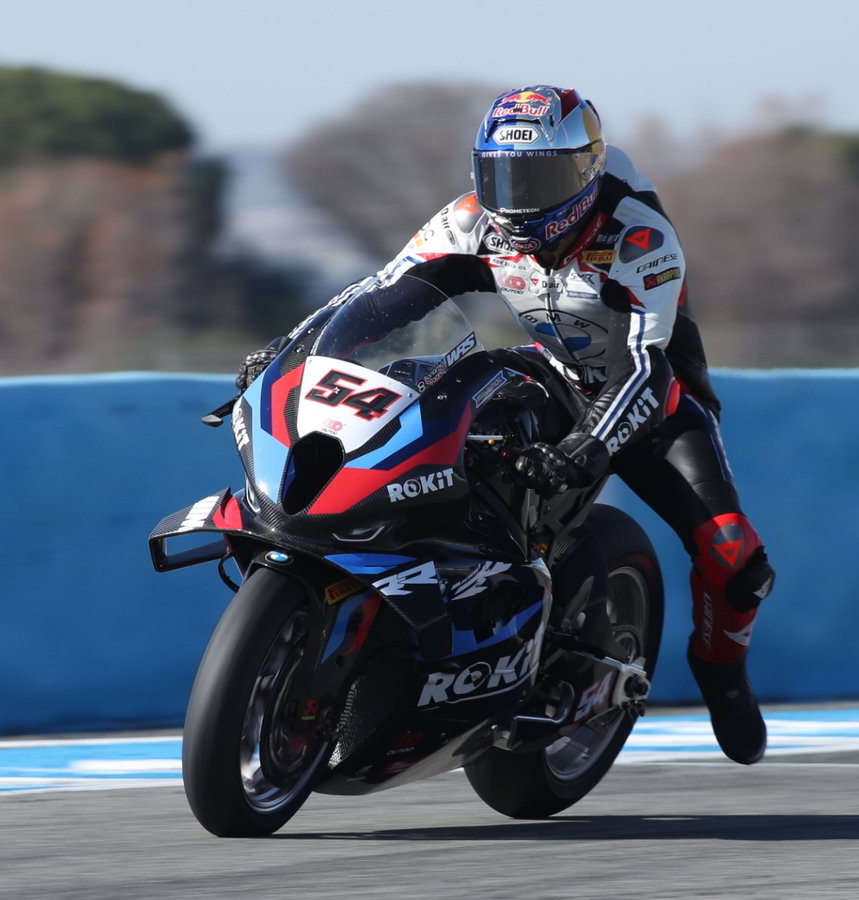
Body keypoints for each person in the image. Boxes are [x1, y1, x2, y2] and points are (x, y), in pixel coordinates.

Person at [236, 85, 775, 764]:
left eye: (539, 178)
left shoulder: (637, 235)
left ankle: (724, 678)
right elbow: (376, 296)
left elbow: (643, 366)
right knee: (448, 425)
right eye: (502, 176)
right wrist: (286, 354)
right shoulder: (471, 220)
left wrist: (585, 448)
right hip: (547, 374)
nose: (518, 200)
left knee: (736, 559)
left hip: (651, 402)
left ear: (585, 173)